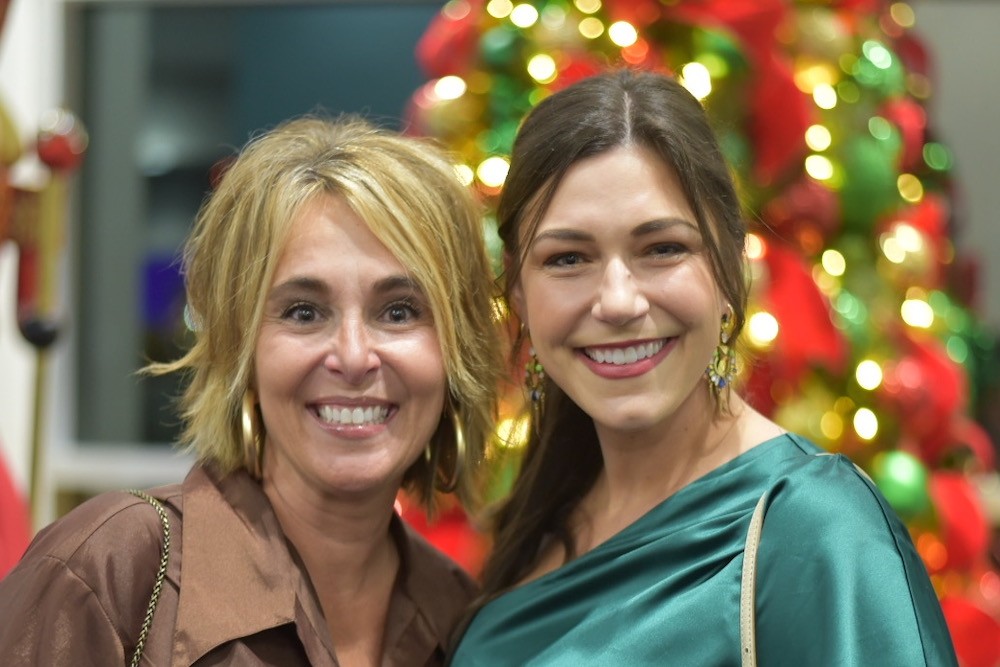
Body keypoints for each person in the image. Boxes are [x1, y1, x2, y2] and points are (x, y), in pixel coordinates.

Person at [448, 69, 958, 666]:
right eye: (568, 258)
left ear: (729, 267)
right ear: (518, 289)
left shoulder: (819, 527)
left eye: (662, 249)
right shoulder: (534, 522)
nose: (618, 301)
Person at [0, 115, 505, 666]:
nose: (354, 357)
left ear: (458, 346)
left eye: (399, 311)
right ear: (240, 347)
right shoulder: (111, 571)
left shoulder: (461, 620)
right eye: (304, 312)